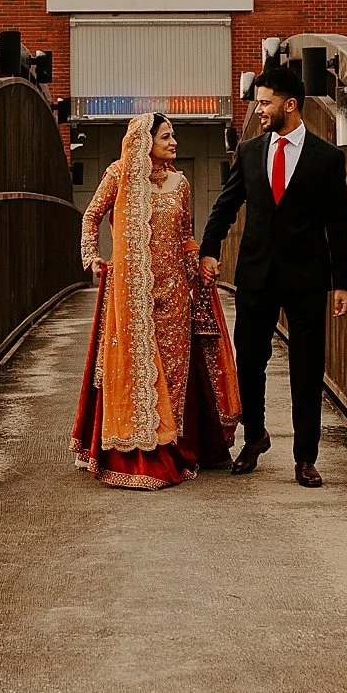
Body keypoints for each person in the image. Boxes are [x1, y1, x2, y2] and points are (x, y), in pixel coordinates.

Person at [197, 62, 347, 489]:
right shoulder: (249, 152)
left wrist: (343, 282)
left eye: (266, 103)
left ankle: (305, 458)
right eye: (258, 103)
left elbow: (338, 224)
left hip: (307, 277)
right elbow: (226, 205)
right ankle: (255, 437)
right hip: (256, 274)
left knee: (307, 367)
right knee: (249, 361)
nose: (259, 110)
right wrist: (209, 250)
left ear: (290, 104)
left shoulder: (327, 158)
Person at [71, 112, 240, 490]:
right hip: (132, 293)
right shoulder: (119, 175)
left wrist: (199, 268)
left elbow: (185, 236)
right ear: (145, 141)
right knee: (138, 367)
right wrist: (91, 256)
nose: (174, 142)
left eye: (174, 135)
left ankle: (173, 447)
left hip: (175, 291)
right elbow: (91, 216)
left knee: (175, 370)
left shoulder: (181, 183)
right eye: (166, 136)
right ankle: (141, 452)